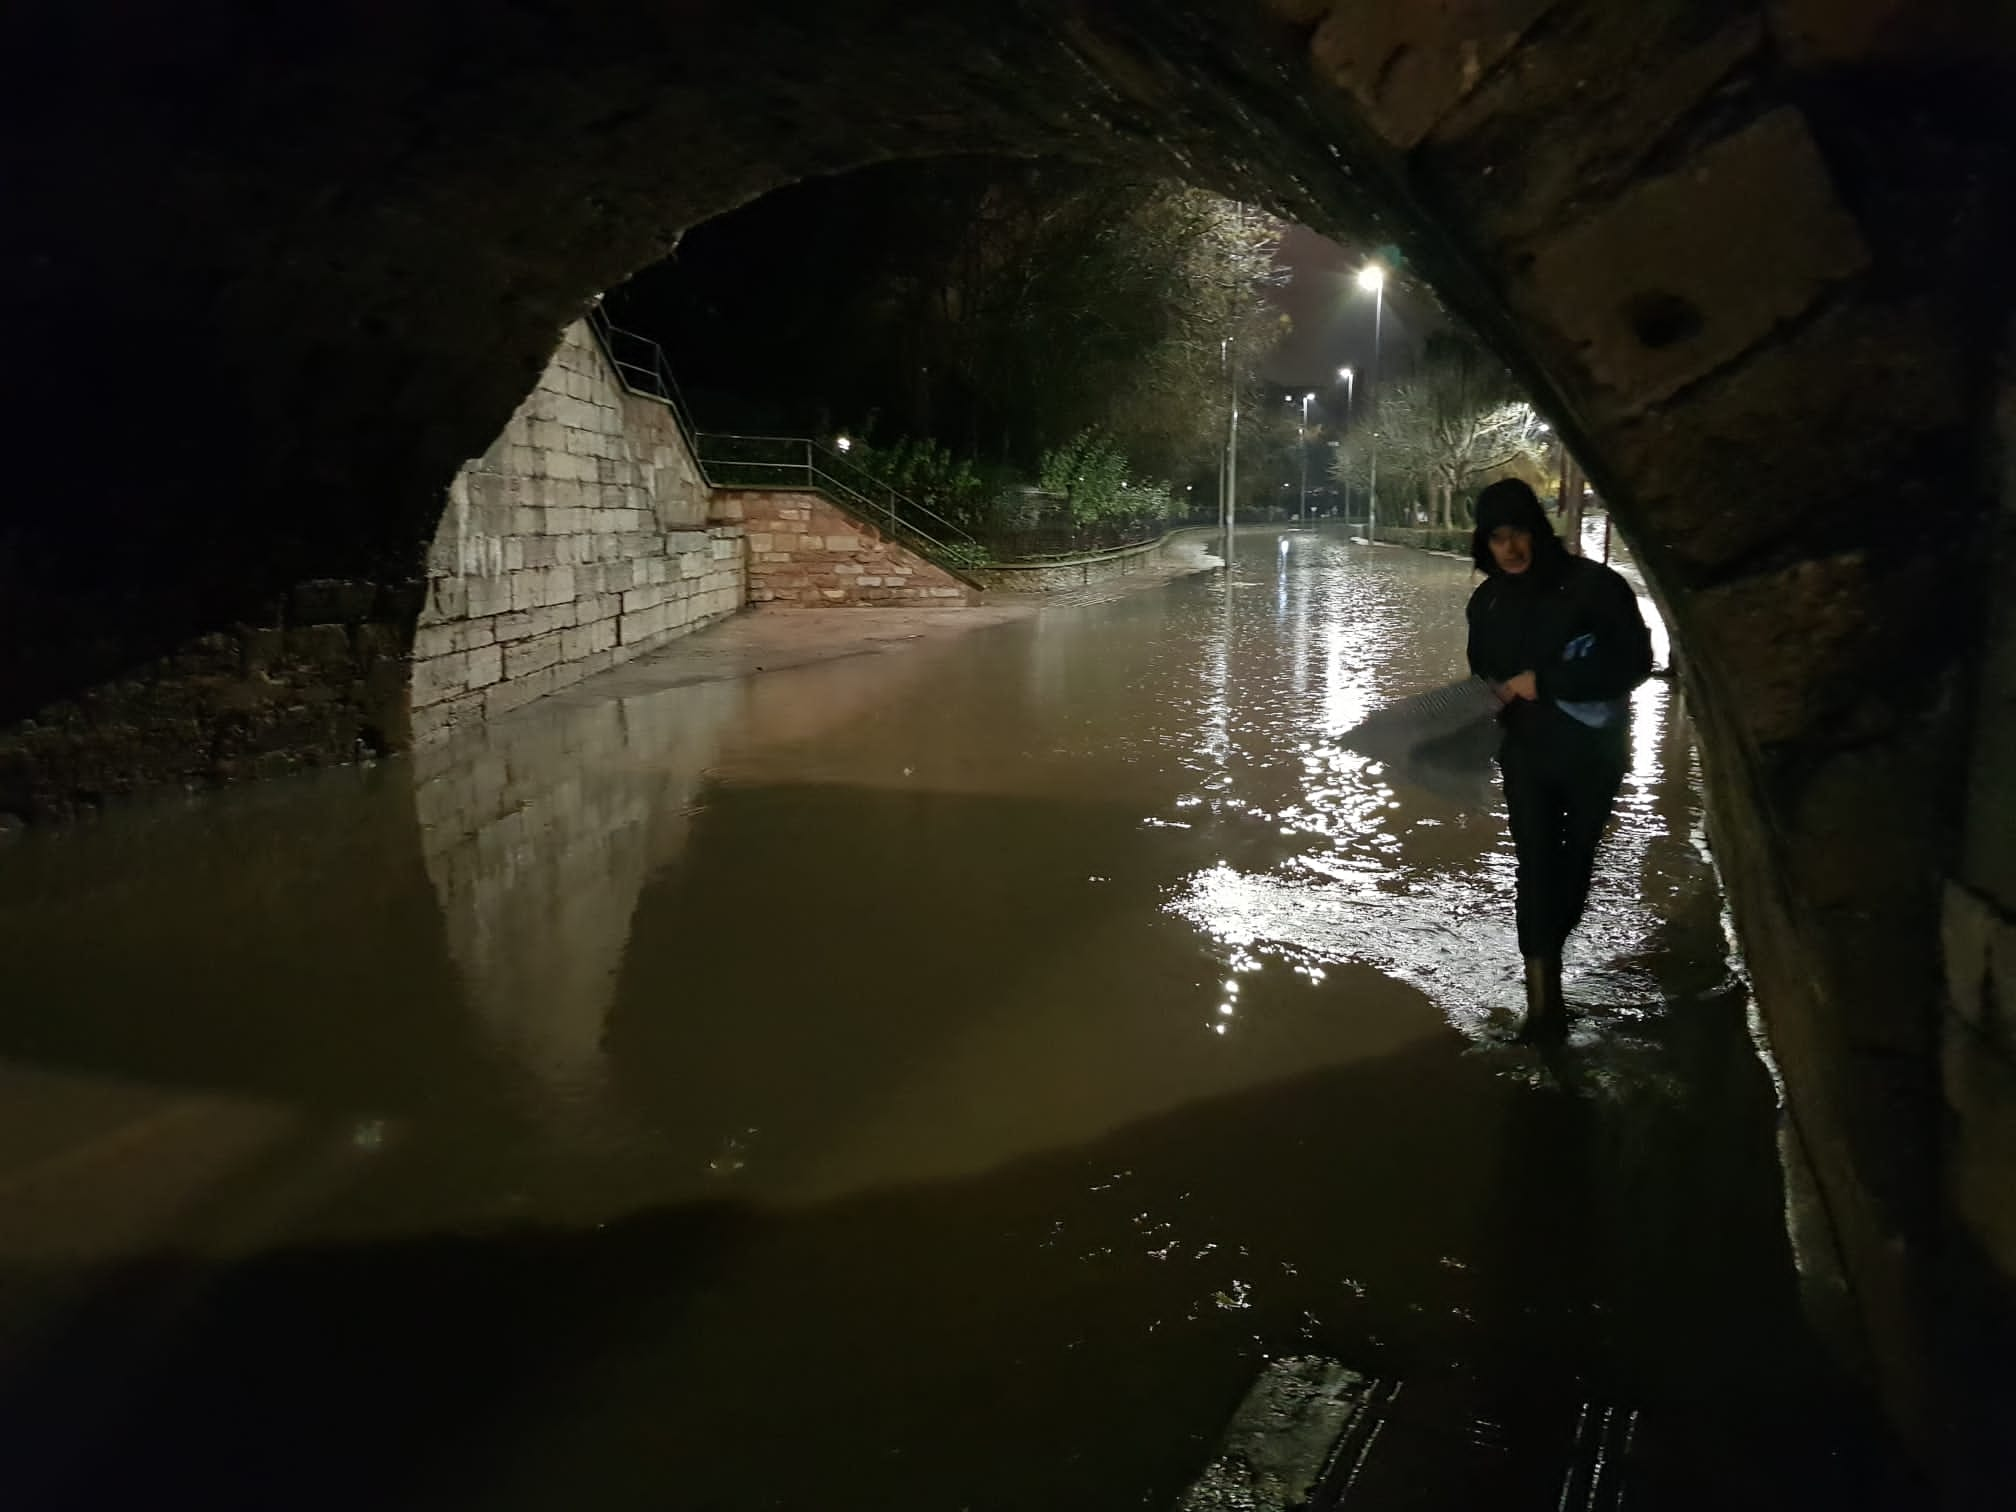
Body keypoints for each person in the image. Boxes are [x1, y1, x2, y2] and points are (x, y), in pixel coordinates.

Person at [1466, 478, 1652, 1041]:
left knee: (1572, 869)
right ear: (1486, 544)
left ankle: (1550, 971)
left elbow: (1635, 663)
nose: (1511, 548)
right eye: (1497, 538)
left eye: (1518, 532)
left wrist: (1544, 682)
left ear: (1537, 531)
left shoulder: (1596, 588)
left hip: (1592, 756)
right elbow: (1484, 674)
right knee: (1535, 868)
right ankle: (1543, 1006)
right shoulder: (1488, 602)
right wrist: (1487, 702)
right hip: (1526, 757)